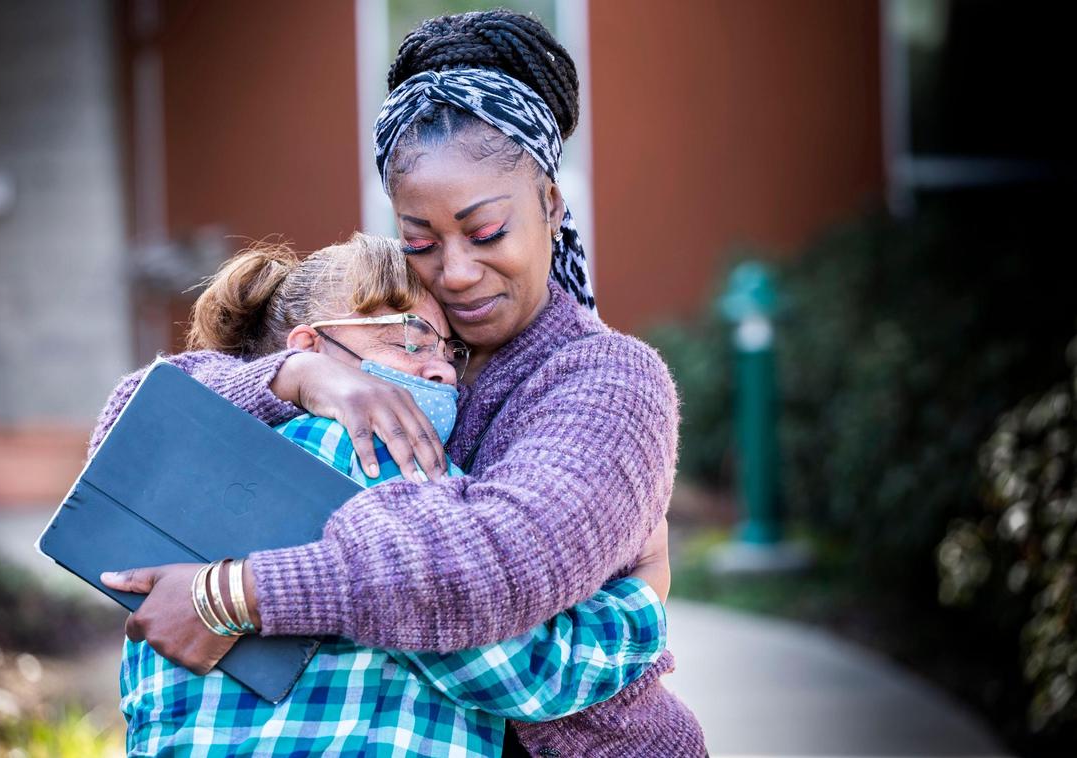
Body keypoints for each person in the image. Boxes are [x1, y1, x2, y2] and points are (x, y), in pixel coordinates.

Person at [99, 9, 706, 757]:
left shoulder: (607, 382)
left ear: (550, 204)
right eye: (420, 241)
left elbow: (493, 569)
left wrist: (239, 595)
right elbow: (134, 428)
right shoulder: (372, 331)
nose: (453, 273)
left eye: (487, 234)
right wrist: (296, 376)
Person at [119, 234, 671, 756]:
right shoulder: (384, 459)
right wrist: (641, 599)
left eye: (453, 352)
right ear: (310, 347)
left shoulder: (190, 459)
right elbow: (520, 671)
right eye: (410, 337)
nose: (442, 371)